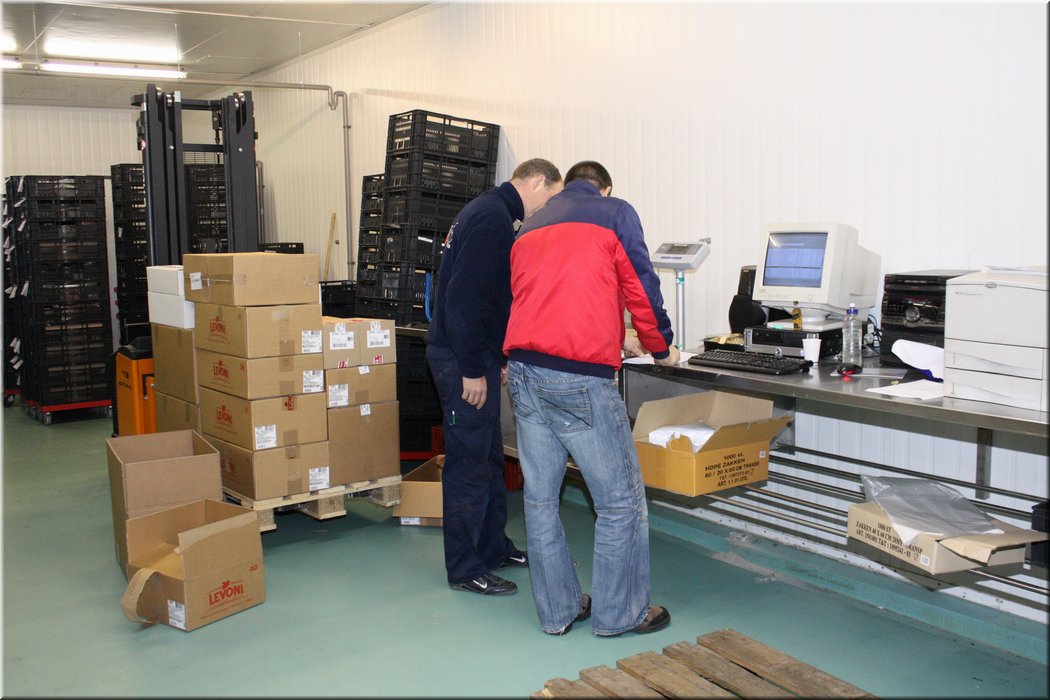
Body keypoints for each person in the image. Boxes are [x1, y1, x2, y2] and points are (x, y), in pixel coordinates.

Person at [503, 160, 680, 636]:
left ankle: (558, 611)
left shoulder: (530, 226)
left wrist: (614, 336)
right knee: (621, 502)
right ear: (605, 188)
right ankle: (620, 613)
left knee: (540, 501)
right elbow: (641, 286)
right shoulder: (614, 212)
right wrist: (660, 346)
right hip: (577, 377)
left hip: (523, 371)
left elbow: (544, 297)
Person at [425, 158, 564, 596]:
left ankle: (492, 547)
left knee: (488, 459)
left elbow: (491, 297)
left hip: (477, 355)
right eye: (551, 196)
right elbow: (464, 301)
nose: (548, 207)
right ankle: (465, 568)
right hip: (460, 360)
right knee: (468, 465)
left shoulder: (495, 213)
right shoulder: (491, 218)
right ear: (537, 181)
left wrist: (496, 357)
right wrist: (471, 369)